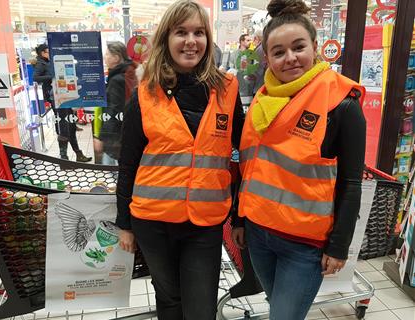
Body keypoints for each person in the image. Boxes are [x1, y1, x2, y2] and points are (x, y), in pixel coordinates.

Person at [231, 0, 366, 319]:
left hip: (304, 246)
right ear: (267, 57)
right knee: (277, 307)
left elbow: (351, 183)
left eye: (298, 47)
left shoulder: (341, 106)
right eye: (278, 52)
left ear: (315, 47)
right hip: (259, 234)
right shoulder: (261, 102)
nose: (289, 57)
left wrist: (339, 245)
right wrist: (239, 219)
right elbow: (249, 168)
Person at [116, 0, 245, 318]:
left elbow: (242, 158)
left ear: (208, 39)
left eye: (199, 32)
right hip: (152, 221)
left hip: (204, 223)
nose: (191, 41)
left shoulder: (227, 90)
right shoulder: (146, 93)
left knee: (200, 309)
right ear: (166, 39)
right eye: (181, 32)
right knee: (169, 301)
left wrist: (240, 216)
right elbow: (128, 162)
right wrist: (124, 224)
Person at [33, 44, 92, 162]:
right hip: (56, 98)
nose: (50, 53)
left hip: (64, 96)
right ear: (42, 53)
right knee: (64, 127)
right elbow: (36, 77)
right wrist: (53, 77)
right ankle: (64, 158)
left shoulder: (50, 62)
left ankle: (77, 154)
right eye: (47, 51)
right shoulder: (41, 64)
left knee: (70, 126)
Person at [94, 42, 138, 165]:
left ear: (116, 57)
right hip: (128, 134)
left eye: (107, 54)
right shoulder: (130, 73)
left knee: (112, 169)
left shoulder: (117, 79)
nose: (105, 57)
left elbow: (114, 110)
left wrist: (101, 137)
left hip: (117, 137)